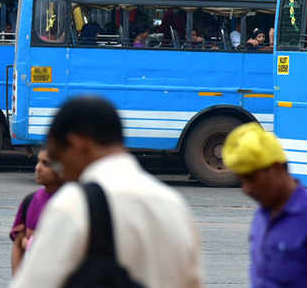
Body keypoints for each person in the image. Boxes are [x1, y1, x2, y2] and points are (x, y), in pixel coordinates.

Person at [10, 96, 202, 288]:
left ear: (77, 143)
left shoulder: (74, 204)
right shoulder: (174, 204)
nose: (59, 169)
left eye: (56, 156)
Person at [222, 122, 307, 287]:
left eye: (250, 179)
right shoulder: (261, 216)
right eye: (241, 180)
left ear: (275, 168)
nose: (246, 189)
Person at [10, 146, 64, 275]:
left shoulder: (76, 202)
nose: (38, 168)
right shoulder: (30, 200)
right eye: (38, 162)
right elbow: (18, 243)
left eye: (46, 164)